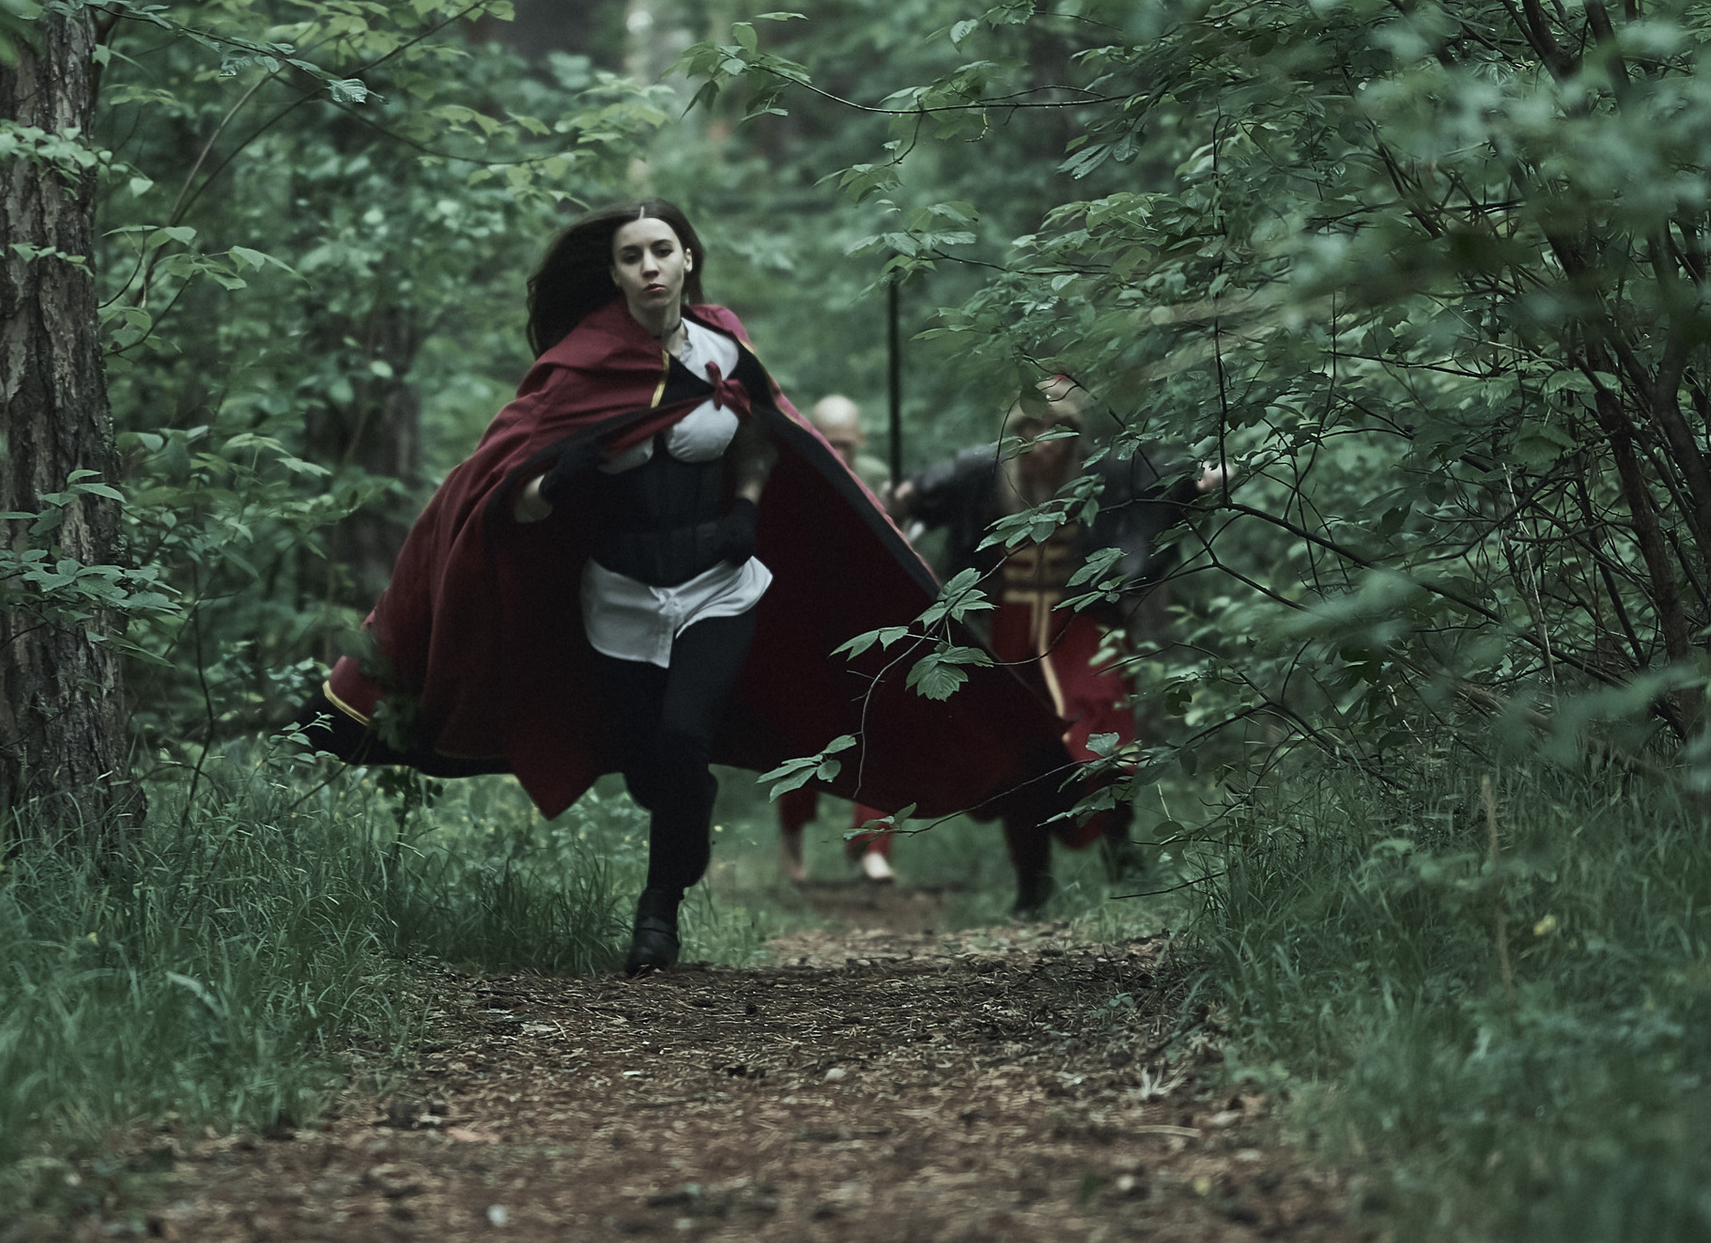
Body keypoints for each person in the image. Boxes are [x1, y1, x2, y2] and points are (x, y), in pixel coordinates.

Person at [309, 203, 1056, 975]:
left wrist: (747, 507)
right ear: (615, 272)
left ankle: (657, 912)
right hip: (620, 598)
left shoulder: (724, 353)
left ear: (687, 259)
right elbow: (506, 492)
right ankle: (682, 809)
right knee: (649, 765)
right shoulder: (579, 367)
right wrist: (554, 485)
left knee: (681, 734)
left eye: (663, 250)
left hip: (719, 587)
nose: (650, 266)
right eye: (633, 256)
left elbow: (768, 435)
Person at [896, 377, 1224, 919]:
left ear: (1073, 435)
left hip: (1084, 623)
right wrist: (907, 495)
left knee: (1104, 729)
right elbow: (935, 485)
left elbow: (1160, 486)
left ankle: (1121, 850)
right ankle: (1033, 883)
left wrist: (1198, 483)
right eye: (1030, 428)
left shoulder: (1106, 473)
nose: (1041, 441)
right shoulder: (988, 472)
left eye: (1054, 429)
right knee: (1020, 752)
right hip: (1013, 629)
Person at [774, 395, 899, 889]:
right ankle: (792, 841)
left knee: (880, 730)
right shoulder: (794, 476)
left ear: (860, 441)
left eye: (847, 444)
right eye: (830, 443)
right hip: (809, 626)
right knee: (802, 737)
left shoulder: (878, 477)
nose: (840, 454)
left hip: (869, 623)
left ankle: (872, 846)